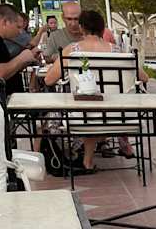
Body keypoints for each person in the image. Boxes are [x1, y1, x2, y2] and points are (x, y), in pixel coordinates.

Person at [44, 9, 143, 169]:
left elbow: (49, 79)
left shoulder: (72, 51)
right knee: (99, 106)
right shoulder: (117, 51)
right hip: (118, 114)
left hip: (82, 115)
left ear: (81, 28)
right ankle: (92, 156)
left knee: (82, 107)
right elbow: (144, 77)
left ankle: (82, 158)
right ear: (103, 29)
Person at [0, 3, 40, 96]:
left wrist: (26, 61)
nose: (20, 32)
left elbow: (8, 70)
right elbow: (0, 73)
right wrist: (22, 58)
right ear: (5, 22)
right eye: (18, 27)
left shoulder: (2, 41)